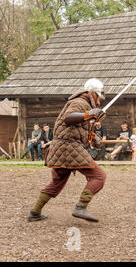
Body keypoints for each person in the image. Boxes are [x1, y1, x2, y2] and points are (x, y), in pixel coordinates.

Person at [27, 78, 107, 222]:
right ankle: (80, 207)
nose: (100, 102)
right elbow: (68, 118)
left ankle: (35, 213)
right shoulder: (79, 103)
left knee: (57, 183)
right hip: (68, 147)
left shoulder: (83, 105)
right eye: (99, 97)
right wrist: (89, 115)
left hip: (62, 148)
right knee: (98, 176)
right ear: (93, 94)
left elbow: (76, 128)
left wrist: (93, 137)